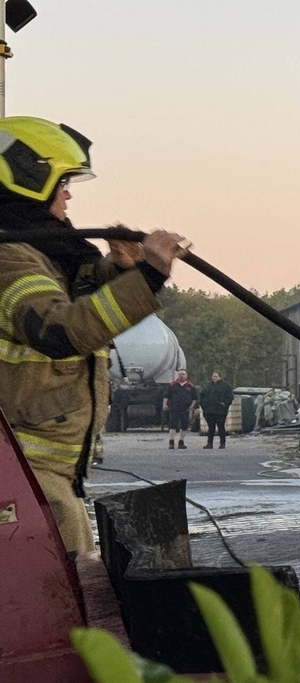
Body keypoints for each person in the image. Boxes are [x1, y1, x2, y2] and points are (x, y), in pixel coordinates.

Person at [0, 116, 190, 555]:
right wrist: (148, 275)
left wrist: (121, 270)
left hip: (43, 474)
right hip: (26, 472)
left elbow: (70, 290)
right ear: (31, 181)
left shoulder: (38, 253)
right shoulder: (9, 258)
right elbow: (60, 329)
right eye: (63, 182)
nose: (68, 194)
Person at [163, 369, 197, 449]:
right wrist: (164, 404)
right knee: (173, 425)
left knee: (184, 425)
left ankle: (181, 442)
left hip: (185, 409)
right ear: (178, 376)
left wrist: (192, 407)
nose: (182, 376)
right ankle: (171, 442)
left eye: (183, 374)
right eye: (180, 374)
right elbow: (166, 396)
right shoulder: (172, 385)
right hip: (174, 408)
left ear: (186, 376)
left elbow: (195, 398)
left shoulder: (191, 386)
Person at [199, 371, 233, 449]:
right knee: (211, 428)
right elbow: (201, 396)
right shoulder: (207, 386)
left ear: (220, 377)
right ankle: (209, 443)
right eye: (213, 376)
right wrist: (203, 405)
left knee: (221, 427)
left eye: (216, 376)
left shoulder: (225, 386)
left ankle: (222, 443)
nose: (214, 378)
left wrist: (224, 404)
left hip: (220, 412)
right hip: (209, 411)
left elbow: (230, 397)